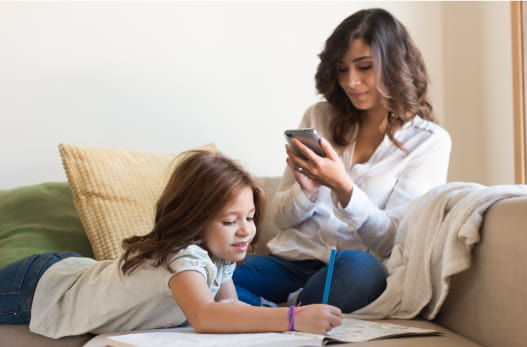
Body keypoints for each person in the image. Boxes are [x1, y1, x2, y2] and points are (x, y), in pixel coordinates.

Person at [233, 8, 451, 313]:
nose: (352, 81)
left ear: (394, 65)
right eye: (342, 69)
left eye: (364, 67)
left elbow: (392, 241)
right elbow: (280, 220)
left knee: (362, 271)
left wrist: (344, 188)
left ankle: (270, 312)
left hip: (349, 270)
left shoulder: (429, 142)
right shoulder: (319, 116)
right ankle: (285, 314)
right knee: (203, 274)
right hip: (289, 263)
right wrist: (306, 191)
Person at [0, 150, 342, 338]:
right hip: (37, 287)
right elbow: (207, 316)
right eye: (229, 221)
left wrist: (278, 322)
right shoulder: (182, 257)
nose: (245, 231)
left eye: (250, 217)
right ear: (194, 219)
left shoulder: (218, 255)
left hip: (75, 271)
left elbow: (231, 307)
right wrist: (293, 318)